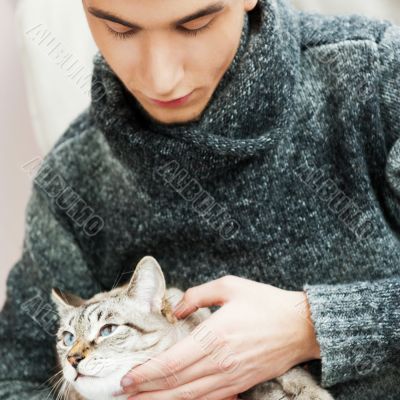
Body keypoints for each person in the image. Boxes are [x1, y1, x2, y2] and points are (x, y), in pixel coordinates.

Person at [0, 0, 399, 399]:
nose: (161, 79)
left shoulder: (378, 78)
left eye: (196, 24)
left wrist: (311, 327)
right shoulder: (71, 178)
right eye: (119, 29)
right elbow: (15, 383)